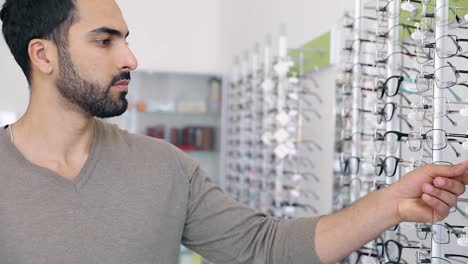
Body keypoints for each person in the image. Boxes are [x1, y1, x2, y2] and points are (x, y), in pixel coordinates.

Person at [0, 0, 467, 263]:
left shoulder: (166, 167)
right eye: (105, 40)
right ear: (42, 55)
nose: (130, 59)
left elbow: (265, 248)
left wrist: (391, 204)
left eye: (126, 39)